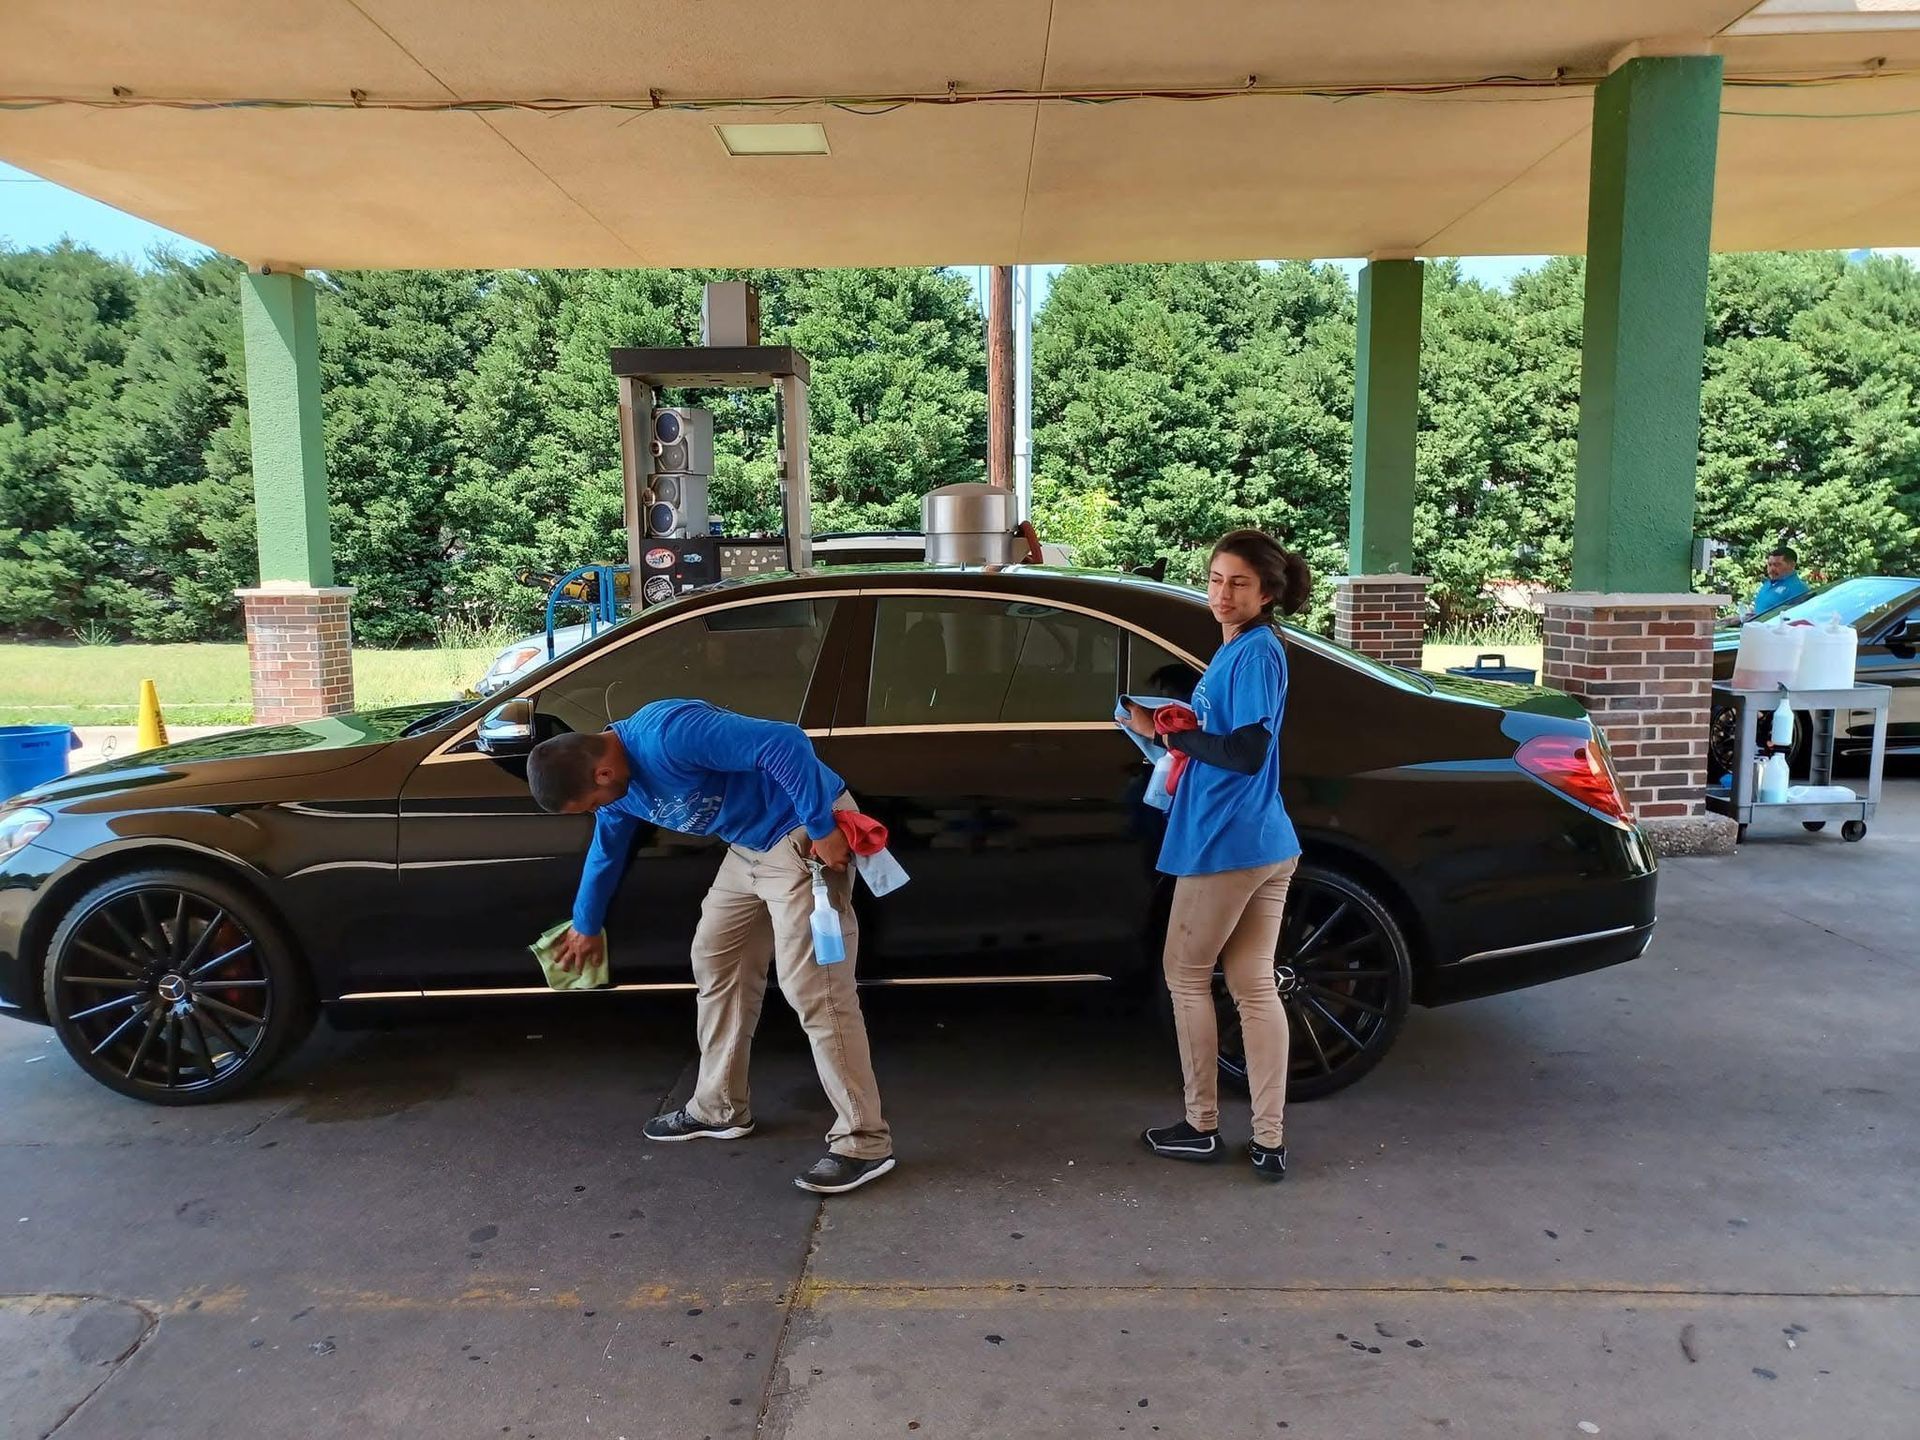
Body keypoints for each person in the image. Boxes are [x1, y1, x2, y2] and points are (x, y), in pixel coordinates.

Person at [527, 700, 894, 1195]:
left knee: (815, 989)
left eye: (592, 802)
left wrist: (825, 829)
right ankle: (719, 1107)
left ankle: (864, 1142)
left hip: (802, 835)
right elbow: (607, 849)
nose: (598, 810)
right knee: (716, 957)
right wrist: (587, 923)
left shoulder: (668, 735)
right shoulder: (617, 792)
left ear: (603, 769)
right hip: (748, 849)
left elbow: (784, 742)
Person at [1123, 529, 1310, 1183]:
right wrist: (1179, 731)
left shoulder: (1255, 654)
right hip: (1260, 841)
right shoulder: (1240, 649)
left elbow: (1246, 751)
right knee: (1255, 985)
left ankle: (1201, 1125)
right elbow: (1224, 741)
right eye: (1215, 579)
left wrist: (1165, 730)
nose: (1222, 593)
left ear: (1266, 592)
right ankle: (1268, 1141)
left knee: (1185, 976)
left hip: (1227, 843)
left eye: (1238, 583)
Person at [1748, 546, 1810, 619]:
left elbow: (1797, 618)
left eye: (1777, 565)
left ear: (1792, 565)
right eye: (1769, 565)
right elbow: (1762, 611)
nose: (1772, 569)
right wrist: (1743, 618)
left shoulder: (1799, 589)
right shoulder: (1767, 584)